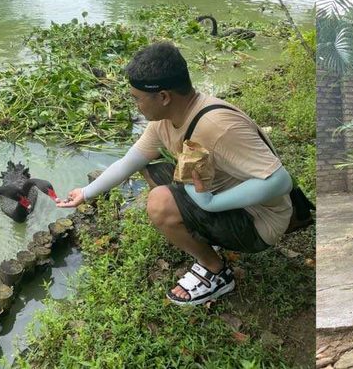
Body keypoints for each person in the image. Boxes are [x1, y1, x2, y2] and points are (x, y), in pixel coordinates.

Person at [55, 42, 293, 306]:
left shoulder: (217, 127)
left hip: (259, 221)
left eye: (137, 98)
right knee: (151, 168)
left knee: (160, 202)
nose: (136, 106)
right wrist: (85, 193)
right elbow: (128, 162)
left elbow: (280, 181)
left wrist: (212, 204)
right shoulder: (164, 122)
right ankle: (203, 235)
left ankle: (216, 271)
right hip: (217, 191)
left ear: (164, 97)